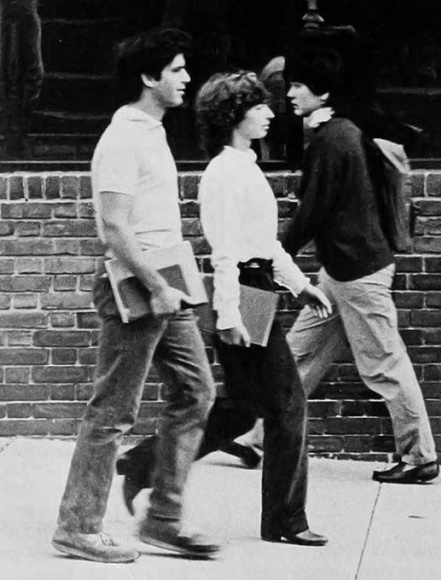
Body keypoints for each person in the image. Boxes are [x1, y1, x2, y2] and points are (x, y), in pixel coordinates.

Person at [116, 71, 333, 547]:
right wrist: (231, 316)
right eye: (259, 107)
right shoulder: (222, 174)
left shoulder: (247, 166)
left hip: (256, 290)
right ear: (235, 115)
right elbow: (226, 253)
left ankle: (142, 463)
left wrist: (300, 286)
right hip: (243, 294)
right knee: (288, 406)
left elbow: (265, 244)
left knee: (244, 407)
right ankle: (285, 521)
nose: (271, 114)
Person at [52, 28, 219, 563]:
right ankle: (77, 527)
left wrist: (169, 286)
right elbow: (115, 229)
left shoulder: (153, 132)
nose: (186, 78)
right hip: (139, 290)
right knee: (112, 412)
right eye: (176, 69)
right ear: (149, 78)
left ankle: (163, 520)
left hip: (164, 288)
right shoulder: (122, 136)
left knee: (196, 392)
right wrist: (158, 285)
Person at [282, 39, 439, 484]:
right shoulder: (339, 133)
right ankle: (256, 436)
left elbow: (312, 210)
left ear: (323, 91)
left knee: (384, 365)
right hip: (342, 270)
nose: (290, 93)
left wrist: (279, 254)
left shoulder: (332, 142)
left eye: (298, 85)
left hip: (358, 272)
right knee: (299, 354)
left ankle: (419, 457)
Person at [0, 0, 44, 156]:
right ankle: (13, 133)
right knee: (9, 71)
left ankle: (19, 131)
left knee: (31, 72)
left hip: (25, 10)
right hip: (8, 11)